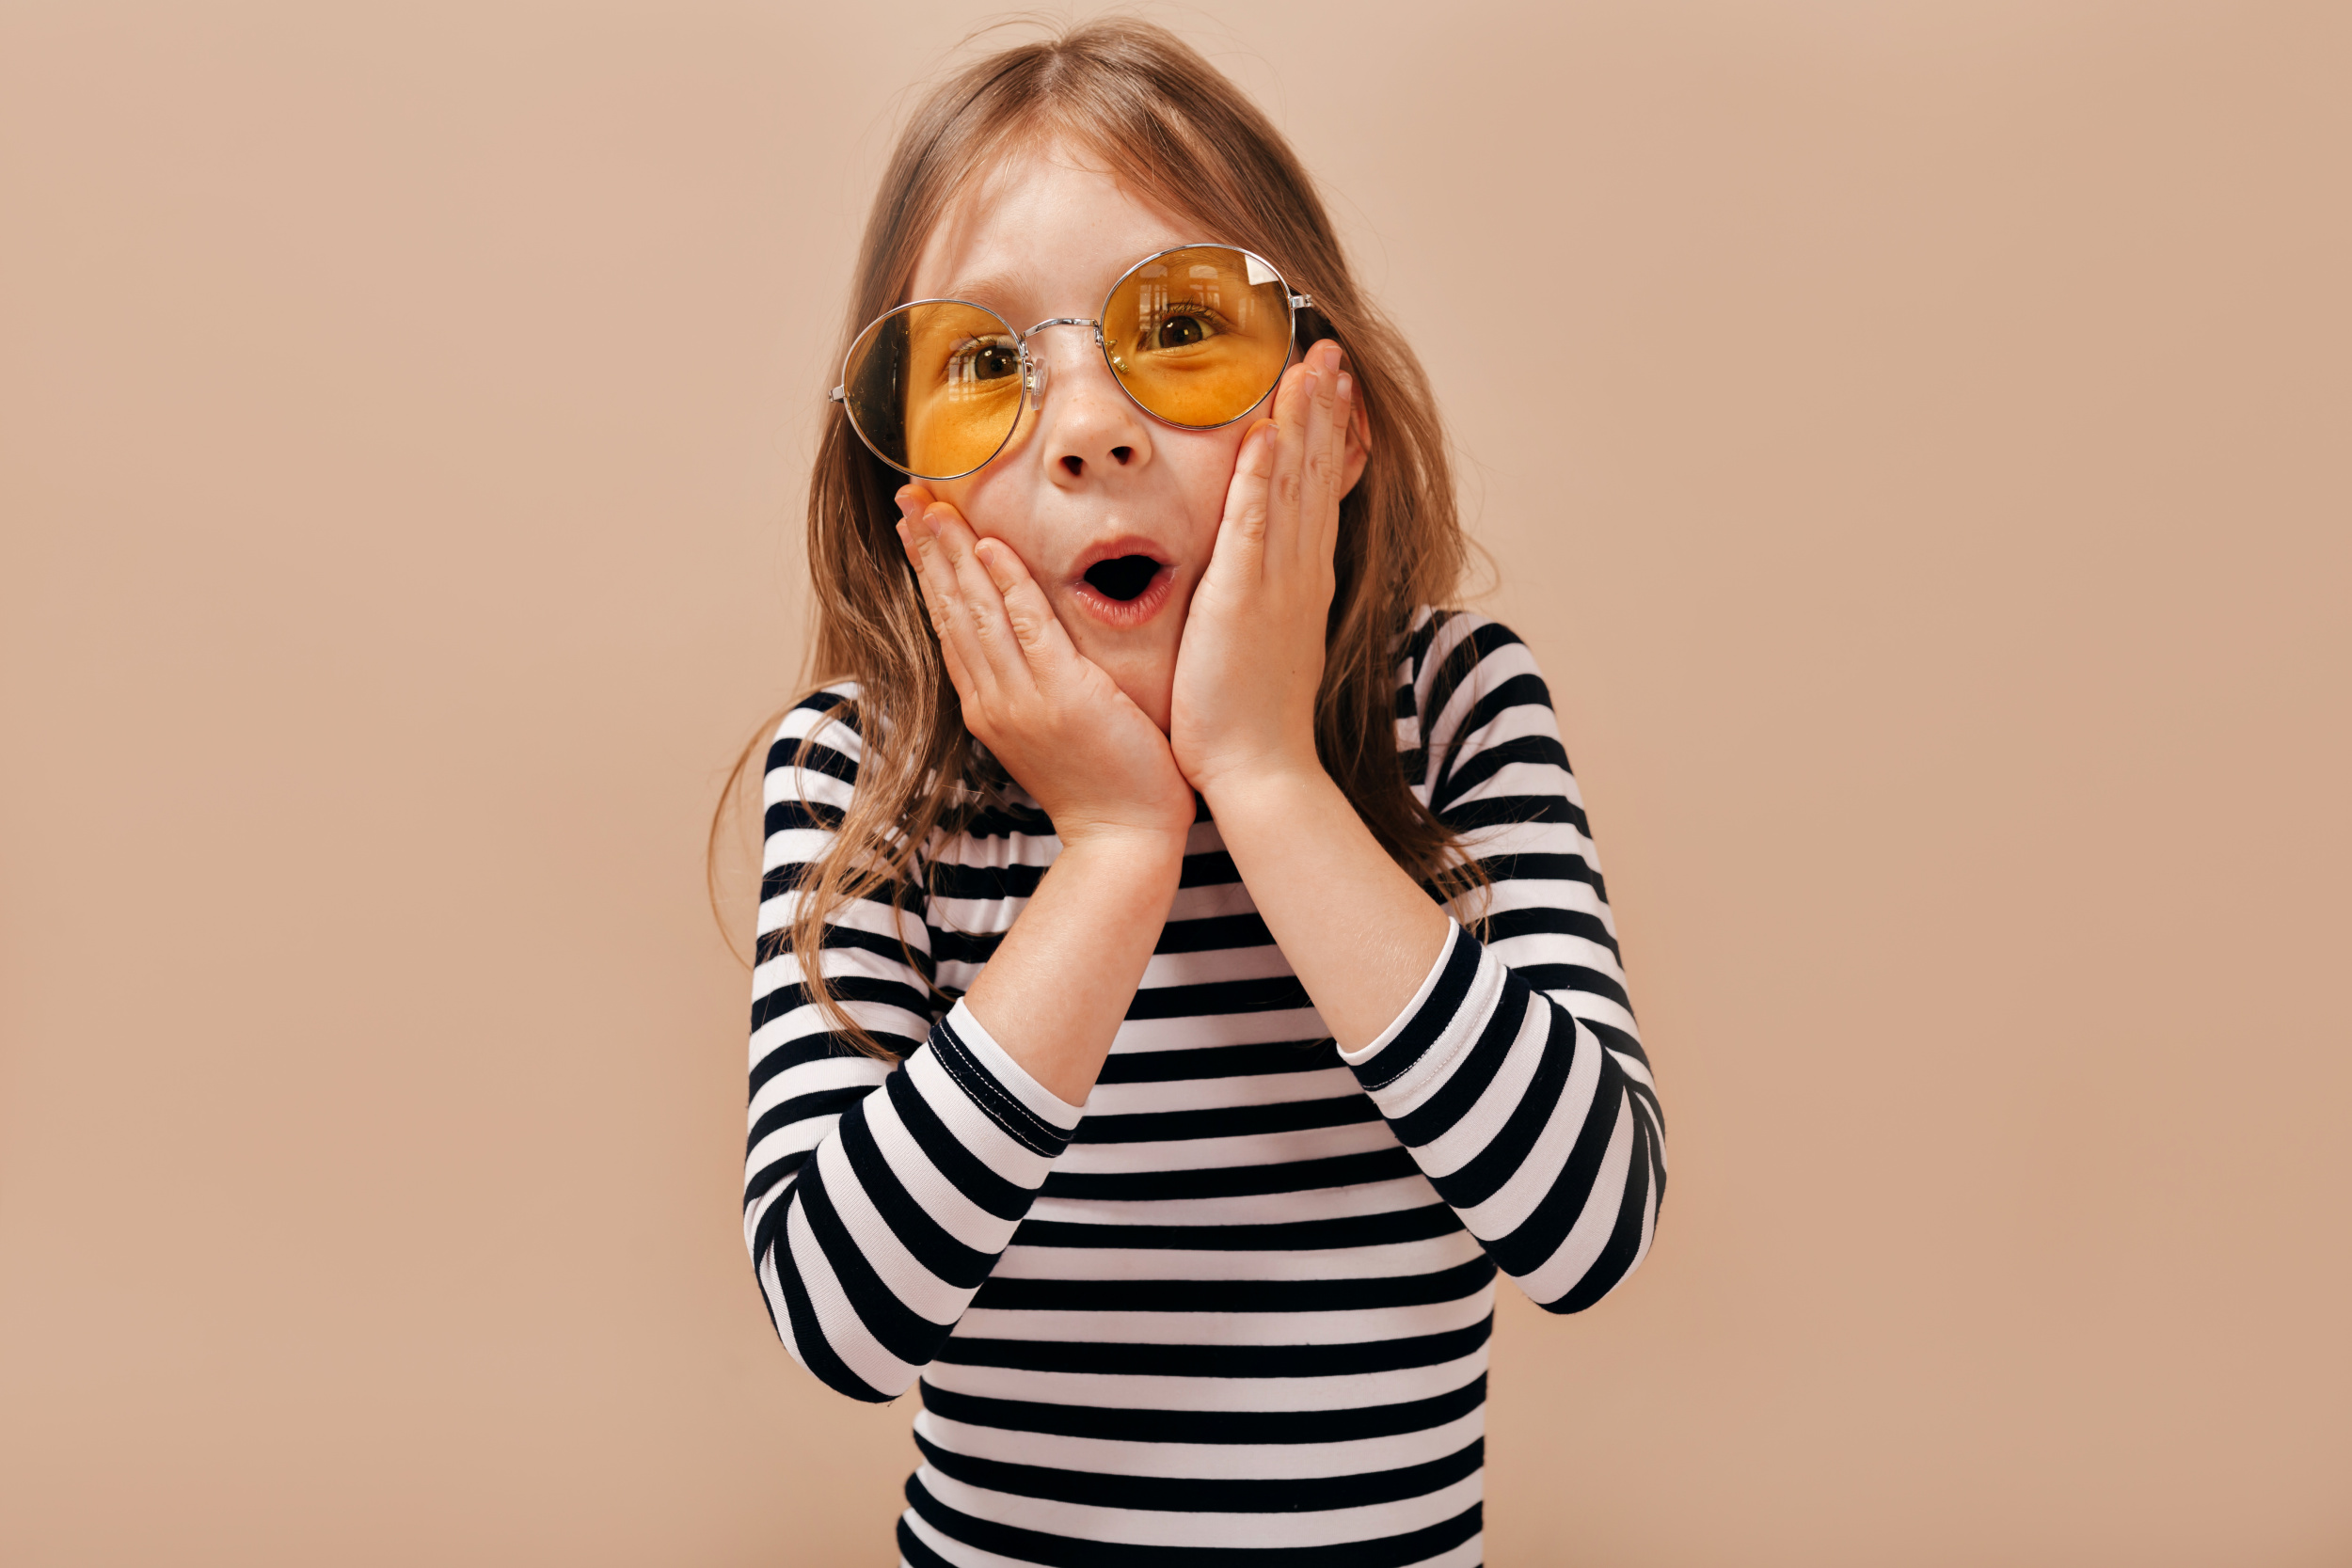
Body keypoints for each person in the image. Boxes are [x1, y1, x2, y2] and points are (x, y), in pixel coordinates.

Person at [735, 20, 1665, 1566]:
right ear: (905, 490)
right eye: (982, 367)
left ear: (1334, 418)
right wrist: (1113, 845)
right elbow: (840, 1317)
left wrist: (1265, 774)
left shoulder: (1454, 715)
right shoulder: (855, 776)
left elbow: (1585, 1225)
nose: (1091, 428)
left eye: (1178, 332)